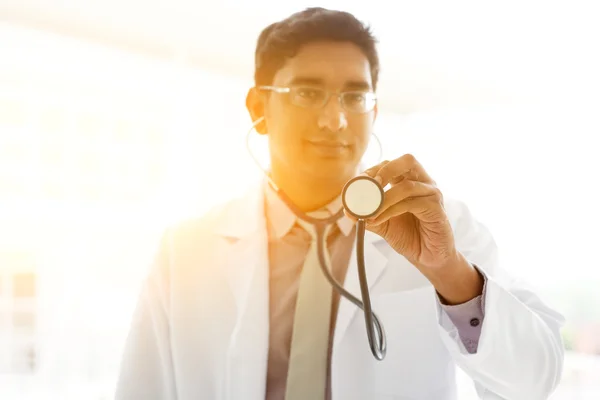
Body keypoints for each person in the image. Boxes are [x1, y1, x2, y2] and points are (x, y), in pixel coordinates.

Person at [115, 7, 565, 400]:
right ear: (258, 108)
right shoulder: (185, 252)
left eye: (354, 96)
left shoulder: (446, 231)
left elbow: (535, 381)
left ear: (373, 111)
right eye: (308, 94)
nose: (336, 119)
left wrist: (449, 272)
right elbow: (143, 390)